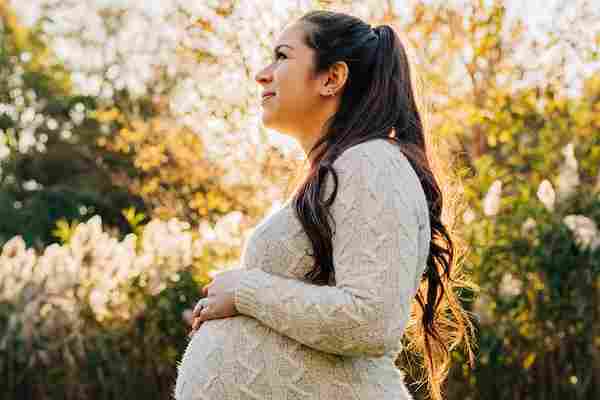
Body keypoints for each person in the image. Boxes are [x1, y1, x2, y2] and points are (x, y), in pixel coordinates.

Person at [174, 10, 477, 400]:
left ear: (331, 78)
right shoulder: (342, 169)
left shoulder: (372, 162)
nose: (262, 74)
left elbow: (372, 318)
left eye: (282, 56)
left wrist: (245, 290)